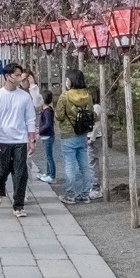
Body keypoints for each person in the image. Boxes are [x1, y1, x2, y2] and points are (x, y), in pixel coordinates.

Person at [0, 62, 36, 218]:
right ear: (8, 76)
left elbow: (30, 118)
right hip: (3, 139)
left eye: (20, 74)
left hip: (20, 140)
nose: (19, 77)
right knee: (1, 172)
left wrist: (31, 139)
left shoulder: (25, 96)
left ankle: (18, 205)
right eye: (16, 75)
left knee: (21, 173)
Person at [55, 68, 95, 204]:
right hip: (82, 133)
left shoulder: (65, 96)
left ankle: (70, 194)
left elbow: (59, 115)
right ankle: (85, 193)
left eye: (67, 79)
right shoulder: (88, 95)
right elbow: (91, 114)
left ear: (71, 81)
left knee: (70, 165)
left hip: (68, 133)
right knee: (84, 165)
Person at [88, 85, 104, 199]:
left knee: (92, 163)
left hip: (94, 138)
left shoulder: (96, 107)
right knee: (91, 163)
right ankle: (94, 185)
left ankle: (96, 187)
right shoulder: (92, 107)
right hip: (90, 137)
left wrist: (91, 138)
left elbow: (97, 125)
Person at [37, 90, 56, 183]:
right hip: (45, 136)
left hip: (48, 136)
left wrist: (39, 130)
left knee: (49, 156)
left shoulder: (48, 111)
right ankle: (48, 173)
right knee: (47, 156)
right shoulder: (45, 110)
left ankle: (52, 175)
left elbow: (48, 124)